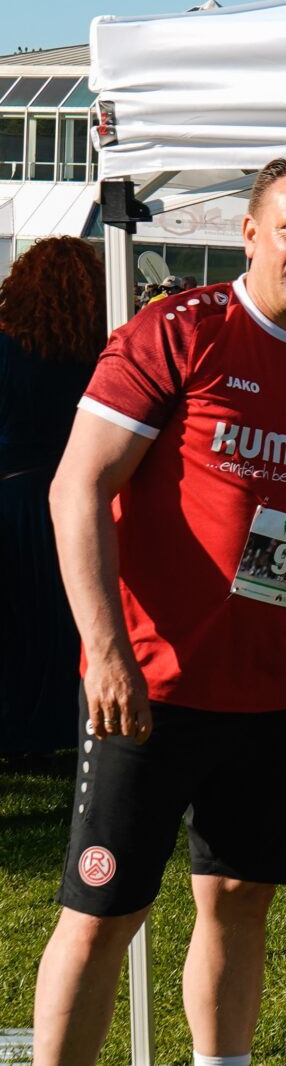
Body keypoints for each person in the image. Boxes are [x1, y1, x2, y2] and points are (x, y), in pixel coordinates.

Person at [11, 153, 286, 1066]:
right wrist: (106, 651)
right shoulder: (181, 331)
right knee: (100, 915)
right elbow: (77, 487)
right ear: (251, 233)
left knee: (239, 903)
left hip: (265, 693)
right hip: (150, 690)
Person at [0, 237, 104, 756]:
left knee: (12, 620)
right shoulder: (101, 355)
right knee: (60, 619)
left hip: (10, 495)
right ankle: (52, 726)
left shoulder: (5, 348)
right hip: (71, 500)